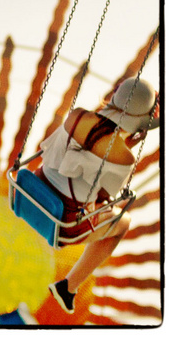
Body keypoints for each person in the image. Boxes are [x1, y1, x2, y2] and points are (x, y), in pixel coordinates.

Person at [33, 76, 158, 314]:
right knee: (123, 222)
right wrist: (126, 147)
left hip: (33, 189)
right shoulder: (124, 157)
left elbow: (77, 149)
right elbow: (100, 198)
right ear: (141, 122)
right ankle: (68, 286)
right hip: (63, 222)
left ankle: (67, 287)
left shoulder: (77, 114)